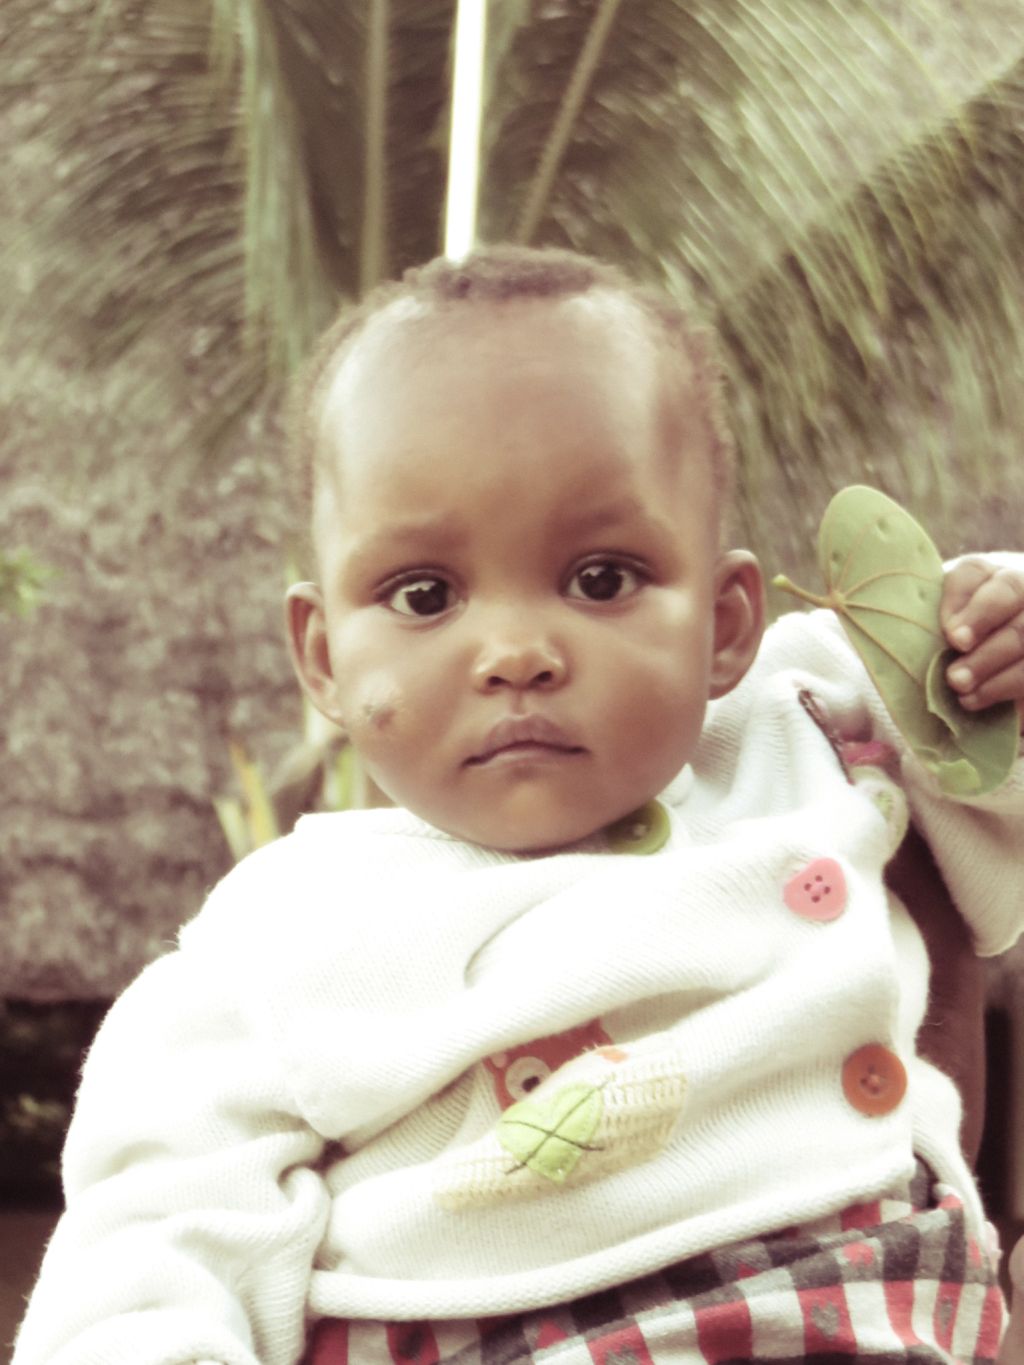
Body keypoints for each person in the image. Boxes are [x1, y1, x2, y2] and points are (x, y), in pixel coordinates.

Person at [13, 246, 1024, 1365]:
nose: (516, 651)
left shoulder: (814, 729)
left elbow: (994, 762)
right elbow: (150, 1242)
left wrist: (988, 638)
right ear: (324, 657)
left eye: (602, 579)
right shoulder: (285, 927)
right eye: (423, 594)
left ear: (726, 623)